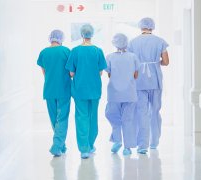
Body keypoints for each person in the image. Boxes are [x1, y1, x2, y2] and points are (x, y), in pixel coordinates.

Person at [127, 17, 169, 154]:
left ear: (141, 27)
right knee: (155, 111)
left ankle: (142, 145)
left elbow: (130, 63)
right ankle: (154, 142)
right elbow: (166, 62)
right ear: (152, 26)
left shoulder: (132, 42)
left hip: (139, 80)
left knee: (141, 112)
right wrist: (155, 63)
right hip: (155, 79)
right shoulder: (160, 41)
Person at [65, 24, 107, 159]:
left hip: (79, 90)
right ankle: (90, 144)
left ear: (81, 34)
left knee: (81, 117)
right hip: (94, 89)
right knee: (92, 117)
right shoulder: (98, 51)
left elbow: (71, 73)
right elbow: (100, 72)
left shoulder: (75, 51)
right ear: (92, 34)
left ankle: (84, 149)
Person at [37, 29, 71, 157]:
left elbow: (44, 72)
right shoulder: (66, 51)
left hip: (49, 89)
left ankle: (60, 144)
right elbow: (71, 71)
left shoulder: (44, 52)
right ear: (61, 38)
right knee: (62, 118)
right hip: (64, 89)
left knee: (53, 118)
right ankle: (57, 146)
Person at [105, 33, 140, 156]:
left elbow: (109, 74)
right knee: (128, 119)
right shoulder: (133, 57)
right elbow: (136, 75)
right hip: (129, 93)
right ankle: (128, 147)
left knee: (113, 116)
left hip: (114, 93)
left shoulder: (109, 57)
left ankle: (117, 139)